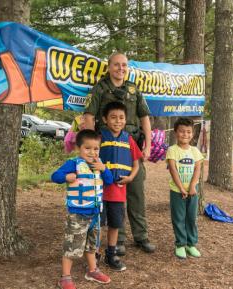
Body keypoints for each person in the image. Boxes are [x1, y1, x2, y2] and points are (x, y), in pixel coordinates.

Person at [83, 52, 155, 254]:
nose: (120, 68)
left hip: (131, 146)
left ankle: (141, 236)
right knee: (114, 192)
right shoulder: (100, 88)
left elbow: (145, 117)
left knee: (136, 193)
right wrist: (91, 148)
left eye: (124, 65)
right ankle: (119, 240)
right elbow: (89, 116)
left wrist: (147, 145)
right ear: (109, 66)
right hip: (108, 148)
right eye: (116, 65)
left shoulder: (133, 89)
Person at [51, 129, 113, 289]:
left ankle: (92, 270)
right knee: (72, 246)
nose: (92, 152)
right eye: (88, 148)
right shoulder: (73, 164)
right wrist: (65, 177)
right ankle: (65, 277)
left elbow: (110, 181)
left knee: (92, 246)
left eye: (96, 148)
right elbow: (54, 176)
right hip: (77, 214)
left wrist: (104, 169)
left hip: (95, 214)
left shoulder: (99, 165)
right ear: (79, 148)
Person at [99, 101, 142, 271]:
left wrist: (130, 178)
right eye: (113, 117)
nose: (118, 121)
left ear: (126, 120)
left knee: (115, 224)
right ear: (105, 119)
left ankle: (111, 254)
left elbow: (136, 164)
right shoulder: (100, 137)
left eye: (121, 118)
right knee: (97, 224)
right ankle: (94, 253)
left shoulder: (129, 139)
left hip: (118, 191)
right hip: (99, 191)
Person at [166, 117, 203, 259]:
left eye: (188, 132)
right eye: (182, 131)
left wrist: (192, 186)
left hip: (193, 192)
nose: (185, 134)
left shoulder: (195, 151)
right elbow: (173, 170)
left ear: (192, 133)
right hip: (177, 191)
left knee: (191, 218)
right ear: (176, 133)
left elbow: (197, 170)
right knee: (179, 218)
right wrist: (181, 188)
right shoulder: (172, 150)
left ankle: (191, 244)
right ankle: (180, 244)